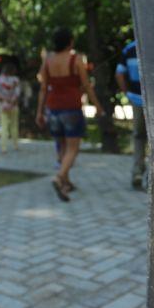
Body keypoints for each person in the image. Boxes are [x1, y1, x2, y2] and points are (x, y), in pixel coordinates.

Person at [36, 28, 104, 201]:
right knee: (73, 148)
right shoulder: (76, 60)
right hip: (71, 107)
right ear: (70, 42)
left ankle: (66, 182)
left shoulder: (47, 62)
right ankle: (60, 178)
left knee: (61, 146)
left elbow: (43, 89)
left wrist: (39, 112)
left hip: (52, 108)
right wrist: (97, 106)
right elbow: (87, 85)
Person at [116, 39, 147, 190]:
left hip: (136, 99)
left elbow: (119, 73)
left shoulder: (129, 49)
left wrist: (127, 93)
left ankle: (137, 172)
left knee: (138, 136)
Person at [0, 63, 21, 154]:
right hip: (13, 106)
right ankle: (16, 145)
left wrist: (4, 100)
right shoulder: (15, 80)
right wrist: (11, 101)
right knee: (14, 126)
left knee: (4, 126)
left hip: (2, 105)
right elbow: (17, 93)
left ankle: (3, 147)